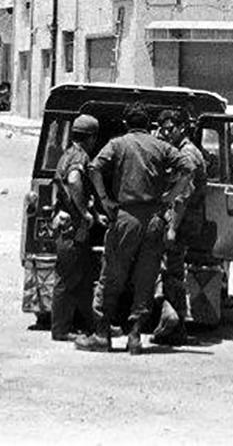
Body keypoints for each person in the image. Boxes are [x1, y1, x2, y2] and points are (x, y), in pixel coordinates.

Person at [77, 105, 182, 354]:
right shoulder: (162, 146)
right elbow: (188, 167)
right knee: (146, 278)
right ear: (148, 125)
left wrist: (104, 200)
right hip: (154, 219)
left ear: (126, 123)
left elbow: (93, 168)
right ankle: (135, 337)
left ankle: (102, 334)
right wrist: (170, 196)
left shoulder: (117, 144)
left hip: (126, 218)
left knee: (112, 274)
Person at [152, 107, 209, 345]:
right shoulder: (185, 151)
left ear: (182, 128)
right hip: (185, 220)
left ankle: (173, 323)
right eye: (162, 129)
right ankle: (174, 322)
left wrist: (172, 228)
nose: (165, 133)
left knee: (172, 271)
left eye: (169, 129)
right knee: (171, 270)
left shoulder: (187, 156)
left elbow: (182, 197)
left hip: (182, 222)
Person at [47, 114, 103, 341]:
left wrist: (95, 215)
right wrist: (85, 213)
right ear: (90, 138)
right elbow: (73, 181)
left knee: (80, 278)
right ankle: (60, 330)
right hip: (71, 228)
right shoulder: (79, 156)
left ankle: (93, 325)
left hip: (69, 227)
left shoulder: (67, 154)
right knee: (67, 278)